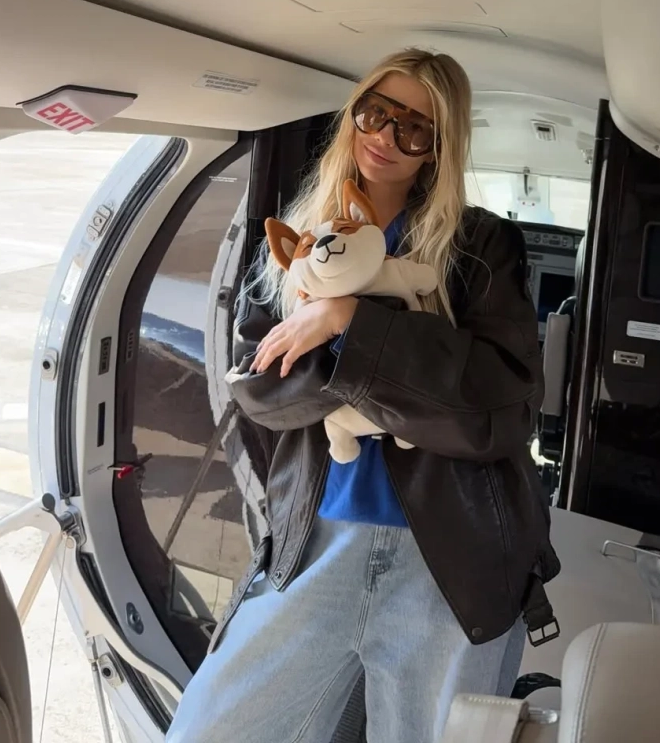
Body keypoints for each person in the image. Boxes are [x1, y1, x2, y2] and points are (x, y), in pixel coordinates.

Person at [167, 48, 559, 743]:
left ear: (438, 148)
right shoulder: (297, 236)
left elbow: (501, 407)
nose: (385, 136)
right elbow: (259, 389)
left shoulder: (479, 246)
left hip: (450, 563)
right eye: (375, 112)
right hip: (318, 539)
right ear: (354, 112)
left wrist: (347, 320)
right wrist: (381, 366)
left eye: (414, 127)